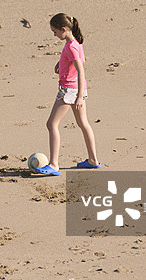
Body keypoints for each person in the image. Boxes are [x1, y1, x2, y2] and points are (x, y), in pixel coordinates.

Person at [34, 13, 100, 176]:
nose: (54, 35)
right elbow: (80, 59)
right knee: (83, 123)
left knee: (51, 124)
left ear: (64, 29)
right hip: (77, 89)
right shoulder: (75, 43)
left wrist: (77, 96)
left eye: (55, 32)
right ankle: (93, 160)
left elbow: (81, 69)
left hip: (69, 90)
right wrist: (61, 62)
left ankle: (54, 165)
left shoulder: (70, 46)